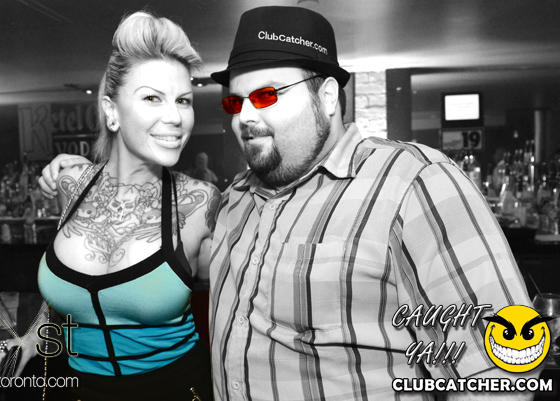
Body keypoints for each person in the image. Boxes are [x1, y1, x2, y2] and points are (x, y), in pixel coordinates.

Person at [41, 6, 539, 401]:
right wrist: (82, 174)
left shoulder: (412, 183)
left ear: (328, 97)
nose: (245, 116)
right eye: (236, 101)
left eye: (267, 95)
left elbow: (503, 371)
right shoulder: (235, 202)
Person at [0, 10, 219, 401]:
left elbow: (237, 309)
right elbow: (68, 291)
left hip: (177, 390)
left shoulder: (200, 203)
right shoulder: (71, 183)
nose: (175, 117)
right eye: (152, 98)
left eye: (183, 100)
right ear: (111, 110)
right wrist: (31, 339)